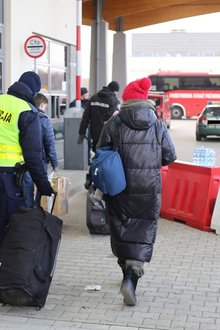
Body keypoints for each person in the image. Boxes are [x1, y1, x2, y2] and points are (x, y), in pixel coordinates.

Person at [97, 77, 176, 306]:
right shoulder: (157, 124)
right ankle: (132, 278)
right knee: (143, 229)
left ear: (126, 99)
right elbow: (170, 155)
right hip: (148, 187)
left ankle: (125, 273)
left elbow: (101, 150)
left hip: (119, 186)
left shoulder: (115, 123)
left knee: (122, 227)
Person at [0, 71, 54, 278]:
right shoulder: (27, 111)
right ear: (33, 91)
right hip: (10, 176)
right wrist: (43, 184)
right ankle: (2, 266)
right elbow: (33, 154)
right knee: (13, 221)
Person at [22, 93, 59, 207]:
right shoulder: (44, 119)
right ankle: (36, 210)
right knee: (40, 185)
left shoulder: (25, 117)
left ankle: (28, 211)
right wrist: (54, 162)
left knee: (27, 187)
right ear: (42, 104)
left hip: (26, 159)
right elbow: (50, 143)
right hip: (40, 159)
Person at [77, 81, 120, 153]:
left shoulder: (94, 98)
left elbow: (86, 116)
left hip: (95, 134)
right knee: (105, 156)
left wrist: (82, 132)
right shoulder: (114, 100)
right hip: (107, 136)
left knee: (96, 153)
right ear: (115, 91)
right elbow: (113, 118)